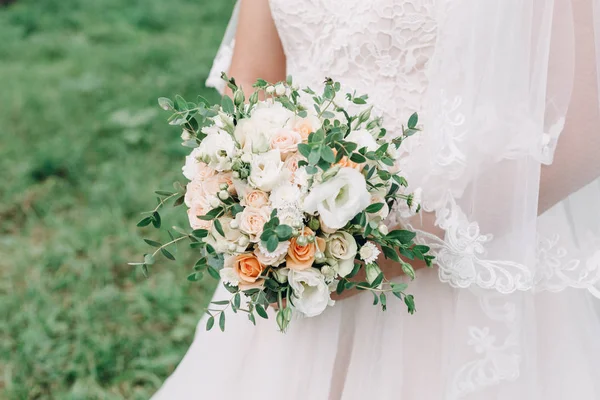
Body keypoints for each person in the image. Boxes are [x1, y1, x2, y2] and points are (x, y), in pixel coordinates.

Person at [153, 0, 600, 398]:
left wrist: (398, 246)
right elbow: (253, 77)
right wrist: (262, 192)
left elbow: (582, 135)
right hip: (298, 256)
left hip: (465, 250)